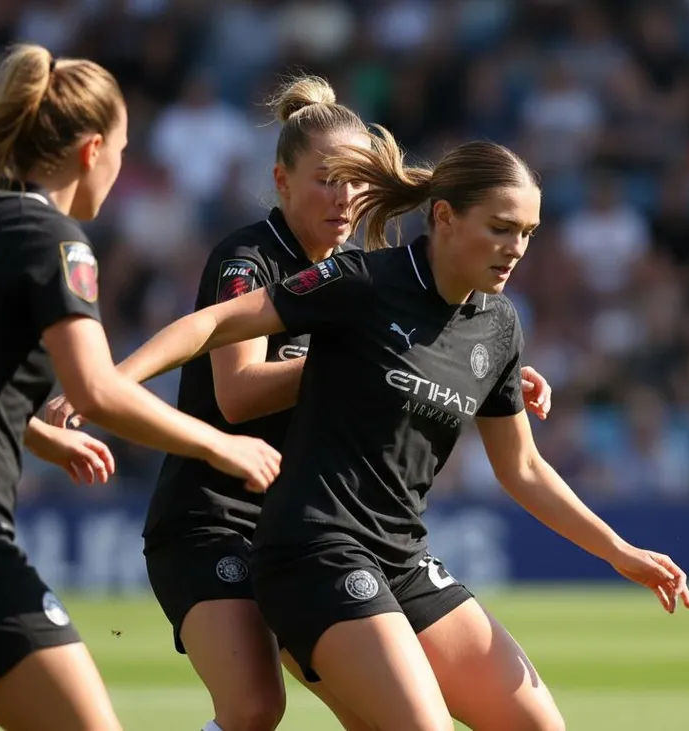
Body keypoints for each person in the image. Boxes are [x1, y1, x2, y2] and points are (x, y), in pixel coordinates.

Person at [100, 127, 689, 731]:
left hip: (402, 555)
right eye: (500, 228)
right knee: (289, 712)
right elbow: (215, 326)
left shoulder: (499, 326)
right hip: (313, 549)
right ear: (445, 217)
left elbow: (523, 468)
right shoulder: (362, 281)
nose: (516, 248)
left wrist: (618, 551)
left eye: (528, 233)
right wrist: (106, 383)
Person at [45, 74, 552, 731]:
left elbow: (414, 353)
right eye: (326, 180)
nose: (345, 198)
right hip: (214, 515)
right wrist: (370, 360)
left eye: (356, 181)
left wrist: (459, 368)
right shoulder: (248, 259)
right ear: (282, 182)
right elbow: (236, 393)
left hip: (311, 524)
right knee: (254, 706)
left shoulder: (363, 272)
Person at [0, 43, 280, 731]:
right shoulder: (52, 238)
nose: (120, 170)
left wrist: (28, 430)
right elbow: (94, 391)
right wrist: (220, 444)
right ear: (92, 151)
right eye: (121, 151)